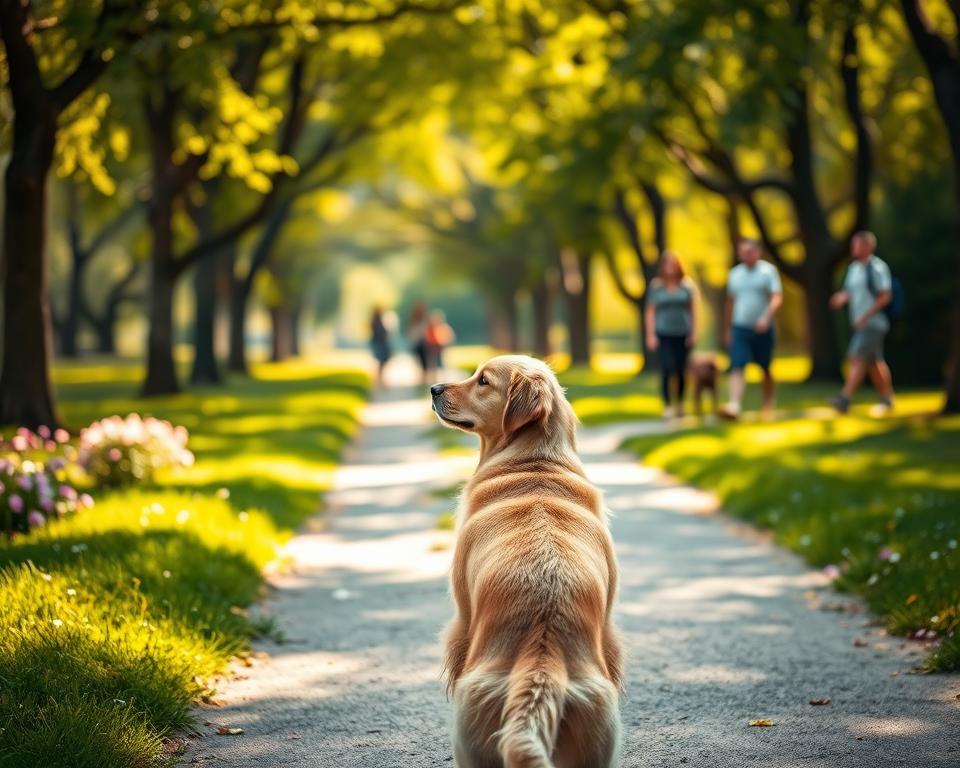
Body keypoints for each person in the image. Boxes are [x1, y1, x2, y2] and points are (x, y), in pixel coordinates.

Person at [828, 231, 895, 414]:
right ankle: (887, 399)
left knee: (856, 357)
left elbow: (885, 296)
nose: (853, 249)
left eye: (856, 245)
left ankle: (845, 398)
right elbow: (849, 292)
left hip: (873, 323)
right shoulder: (854, 268)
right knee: (874, 363)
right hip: (861, 324)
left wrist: (866, 316)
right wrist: (841, 298)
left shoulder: (877, 268)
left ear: (867, 246)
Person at [721, 238, 783, 419]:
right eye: (742, 252)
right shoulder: (734, 274)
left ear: (758, 252)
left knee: (765, 367)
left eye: (749, 252)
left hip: (764, 327)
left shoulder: (768, 271)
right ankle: (734, 405)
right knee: (737, 365)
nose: (745, 255)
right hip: (740, 327)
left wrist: (766, 317)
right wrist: (727, 329)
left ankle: (768, 403)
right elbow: (730, 302)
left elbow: (776, 297)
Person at [644, 251, 700, 418]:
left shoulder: (687, 285)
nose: (670, 268)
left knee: (681, 370)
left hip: (683, 332)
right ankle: (668, 405)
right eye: (667, 264)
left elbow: (694, 310)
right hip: (663, 333)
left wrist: (694, 333)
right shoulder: (656, 286)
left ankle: (680, 403)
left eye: (673, 264)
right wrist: (650, 334)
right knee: (667, 368)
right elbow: (650, 312)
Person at [407, 300, 430, 385]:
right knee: (423, 362)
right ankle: (423, 379)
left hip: (422, 343)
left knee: (423, 362)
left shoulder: (420, 319)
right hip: (420, 343)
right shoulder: (418, 319)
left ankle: (424, 379)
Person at [426, 310, 455, 376]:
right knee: (433, 365)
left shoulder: (444, 328)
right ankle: (433, 376)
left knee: (442, 364)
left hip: (441, 349)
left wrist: (443, 344)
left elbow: (449, 338)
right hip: (433, 350)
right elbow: (429, 339)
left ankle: (444, 376)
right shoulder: (430, 329)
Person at [369, 306, 392, 386]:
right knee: (381, 362)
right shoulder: (376, 322)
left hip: (380, 344)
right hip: (379, 344)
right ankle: (379, 379)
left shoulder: (379, 321)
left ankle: (379, 379)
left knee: (382, 362)